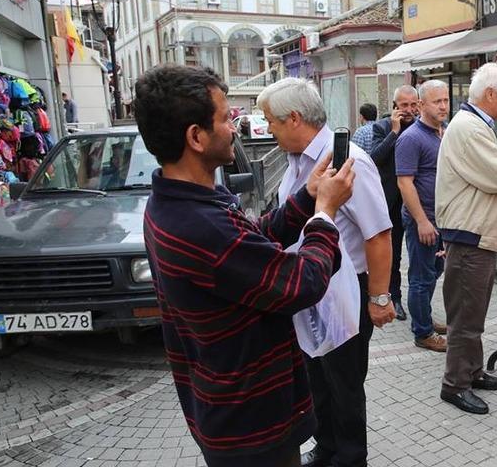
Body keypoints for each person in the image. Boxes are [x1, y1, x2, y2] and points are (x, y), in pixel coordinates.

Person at [135, 65, 354, 467]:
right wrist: (325, 214)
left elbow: (251, 244)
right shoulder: (199, 224)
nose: (236, 127)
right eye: (225, 118)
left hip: (228, 409)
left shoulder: (179, 203)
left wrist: (306, 198)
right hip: (251, 425)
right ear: (196, 137)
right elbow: (299, 283)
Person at [258, 78, 395, 467]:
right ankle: (328, 447)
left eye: (271, 121)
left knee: (345, 385)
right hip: (311, 287)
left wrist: (379, 298)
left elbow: (379, 233)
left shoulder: (348, 161)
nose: (267, 129)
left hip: (348, 292)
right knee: (317, 378)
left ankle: (351, 457)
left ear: (294, 118)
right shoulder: (298, 161)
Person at [435, 62, 497, 415]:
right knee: (466, 317)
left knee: (473, 312)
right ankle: (455, 385)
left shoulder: (474, 125)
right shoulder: (470, 128)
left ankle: (472, 372)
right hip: (469, 237)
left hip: (476, 235)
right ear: (489, 94)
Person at [396, 80, 449, 353]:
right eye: (436, 101)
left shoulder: (445, 132)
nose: (442, 106)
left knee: (434, 271)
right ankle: (423, 332)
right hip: (423, 219)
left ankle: (424, 317)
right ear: (420, 106)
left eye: (445, 100)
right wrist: (422, 221)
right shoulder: (411, 138)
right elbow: (405, 183)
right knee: (421, 276)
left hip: (442, 220)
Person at [370, 85, 420, 321]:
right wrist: (394, 131)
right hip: (390, 200)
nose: (409, 110)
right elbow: (375, 158)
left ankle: (420, 299)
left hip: (417, 200)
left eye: (413, 105)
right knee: (394, 253)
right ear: (394, 107)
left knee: (421, 251)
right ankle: (395, 297)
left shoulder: (423, 127)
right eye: (404, 105)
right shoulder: (382, 127)